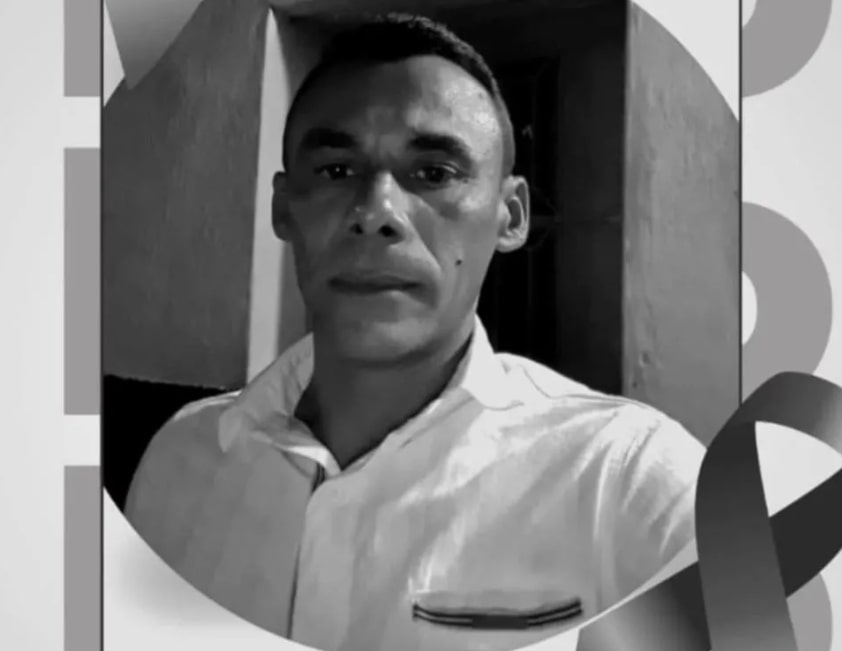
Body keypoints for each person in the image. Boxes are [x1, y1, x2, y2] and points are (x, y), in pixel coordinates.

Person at [126, 13, 706, 651]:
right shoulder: (179, 460)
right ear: (284, 208)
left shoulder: (628, 480)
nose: (376, 212)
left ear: (510, 215)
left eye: (434, 173)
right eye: (336, 170)